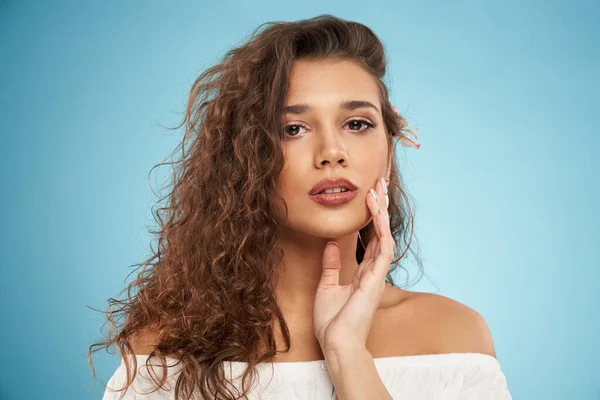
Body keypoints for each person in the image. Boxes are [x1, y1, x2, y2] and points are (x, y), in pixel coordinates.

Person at [89, 14, 512, 400]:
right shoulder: (167, 354)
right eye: (293, 129)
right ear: (246, 160)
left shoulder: (453, 337)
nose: (332, 152)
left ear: (389, 147)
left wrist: (347, 353)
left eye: (357, 123)